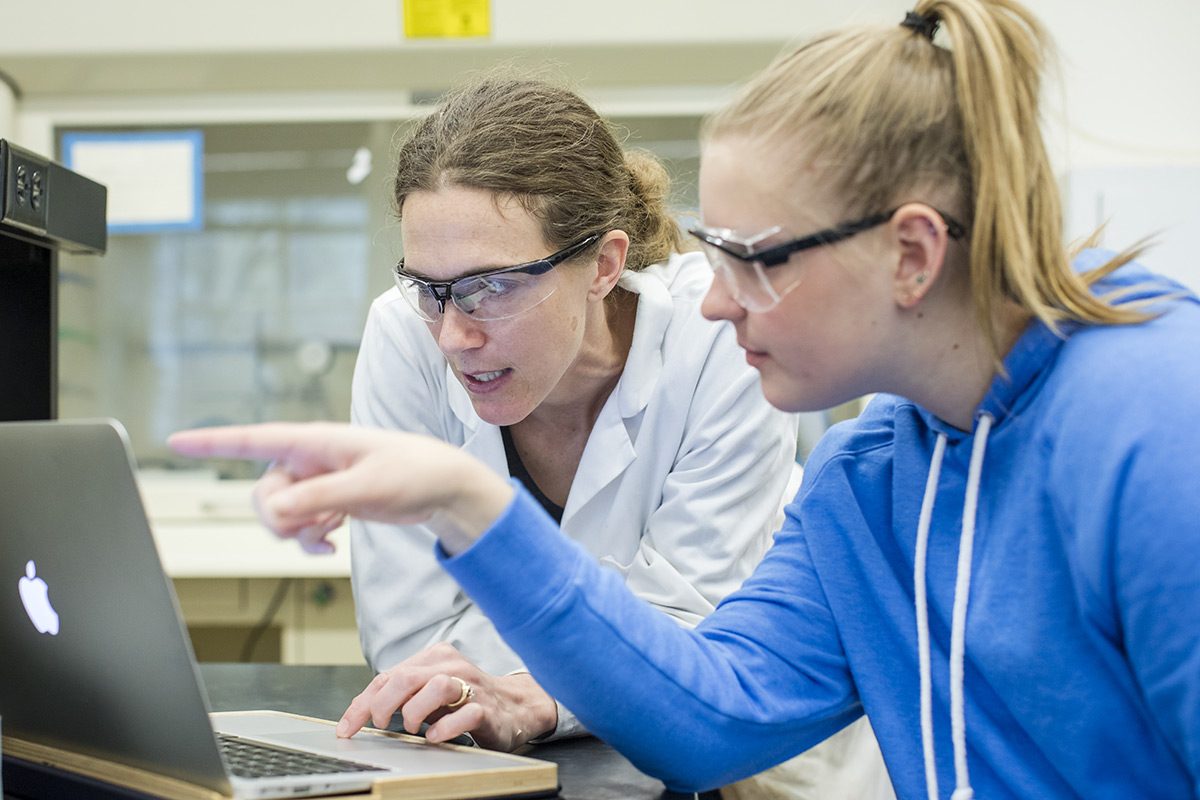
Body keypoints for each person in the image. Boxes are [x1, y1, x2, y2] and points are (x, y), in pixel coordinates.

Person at [169, 1, 1200, 798]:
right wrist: (468, 502)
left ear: (913, 253)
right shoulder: (873, 475)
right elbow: (712, 709)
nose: (711, 300)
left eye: (755, 261)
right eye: (713, 256)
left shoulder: (1157, 426)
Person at [339, 77, 804, 750]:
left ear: (603, 265)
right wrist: (594, 656)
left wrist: (533, 696)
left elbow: (691, 621)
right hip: (482, 760)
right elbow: (410, 646)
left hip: (729, 756)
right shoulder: (403, 334)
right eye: (429, 288)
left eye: (490, 286)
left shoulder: (718, 335)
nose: (451, 336)